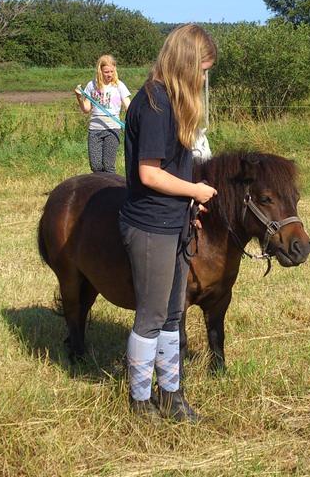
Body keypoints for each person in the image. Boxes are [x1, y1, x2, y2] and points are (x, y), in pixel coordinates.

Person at [118, 24, 218, 422]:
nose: (205, 78)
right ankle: (141, 402)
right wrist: (195, 192)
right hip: (150, 226)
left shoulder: (171, 102)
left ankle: (172, 395)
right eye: (203, 69)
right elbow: (149, 174)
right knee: (152, 317)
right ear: (187, 63)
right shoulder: (155, 104)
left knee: (174, 316)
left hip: (172, 222)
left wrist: (188, 210)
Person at [73, 55, 131, 173]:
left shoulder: (119, 85)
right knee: (96, 166)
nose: (109, 74)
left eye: (112, 71)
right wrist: (79, 97)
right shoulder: (91, 85)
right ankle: (100, 189)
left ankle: (112, 190)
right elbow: (86, 109)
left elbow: (129, 107)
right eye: (106, 72)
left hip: (112, 129)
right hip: (95, 129)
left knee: (108, 166)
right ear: (100, 71)